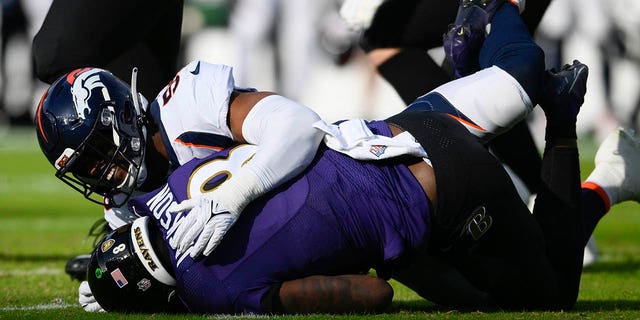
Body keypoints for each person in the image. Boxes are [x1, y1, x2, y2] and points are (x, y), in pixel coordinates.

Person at [82, 54, 640, 314]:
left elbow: (374, 296)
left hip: (434, 188)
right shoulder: (167, 188)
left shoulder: (210, 288)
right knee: (475, 300)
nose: (102, 176)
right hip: (386, 146)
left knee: (550, 294)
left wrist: (241, 202)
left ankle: (565, 120)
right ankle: (601, 183)